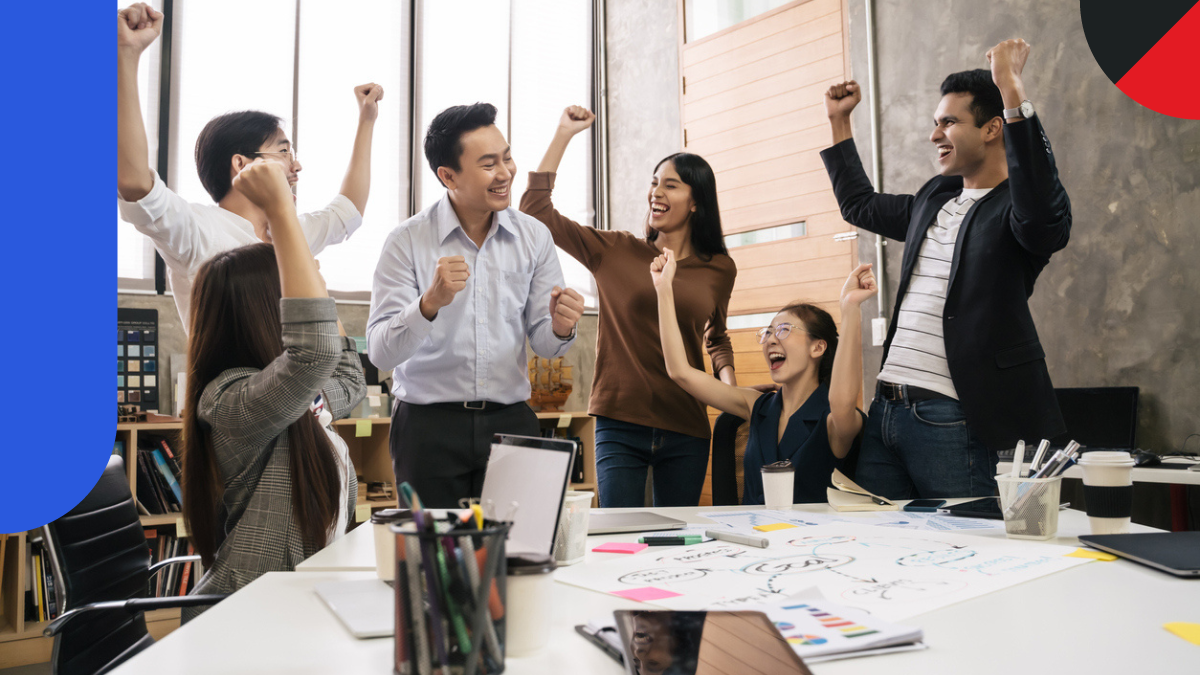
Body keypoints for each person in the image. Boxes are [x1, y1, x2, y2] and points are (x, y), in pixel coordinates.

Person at [821, 39, 1071, 499]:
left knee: (966, 552)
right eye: (935, 123)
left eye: (949, 122)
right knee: (879, 547)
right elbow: (858, 204)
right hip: (887, 413)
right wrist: (839, 120)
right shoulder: (933, 199)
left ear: (994, 128)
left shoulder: (1020, 211)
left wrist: (1010, 87)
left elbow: (1042, 207)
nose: (935, 134)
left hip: (953, 417)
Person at [367, 103, 584, 509]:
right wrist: (429, 303)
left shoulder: (533, 236)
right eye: (488, 164)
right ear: (448, 176)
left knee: (521, 555)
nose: (504, 173)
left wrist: (558, 327)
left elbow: (545, 343)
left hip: (511, 419)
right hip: (428, 426)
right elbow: (380, 352)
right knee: (434, 561)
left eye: (506, 158)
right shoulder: (407, 241)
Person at [520, 106, 737, 508]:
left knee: (676, 542)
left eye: (671, 185)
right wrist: (564, 134)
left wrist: (730, 393)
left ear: (695, 203)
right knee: (618, 536)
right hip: (620, 419)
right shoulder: (614, 250)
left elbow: (716, 337)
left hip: (686, 422)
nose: (656, 191)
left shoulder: (719, 268)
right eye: (654, 183)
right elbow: (536, 212)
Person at [117, 3, 383, 330]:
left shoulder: (288, 231)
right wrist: (126, 55)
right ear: (241, 164)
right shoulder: (197, 230)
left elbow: (348, 211)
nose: (296, 165)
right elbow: (133, 182)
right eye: (283, 152)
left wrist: (366, 120)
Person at [179, 160, 366, 622]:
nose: (311, 291)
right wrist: (282, 212)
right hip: (250, 620)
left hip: (304, 605)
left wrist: (318, 287)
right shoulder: (230, 402)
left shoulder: (298, 402)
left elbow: (348, 379)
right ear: (269, 312)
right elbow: (315, 355)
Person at [654, 249, 873, 504]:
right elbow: (680, 372)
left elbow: (843, 401)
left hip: (811, 542)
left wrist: (849, 307)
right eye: (767, 333)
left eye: (783, 330)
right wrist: (663, 289)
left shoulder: (835, 421)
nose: (770, 340)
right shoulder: (757, 407)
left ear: (818, 347)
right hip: (752, 538)